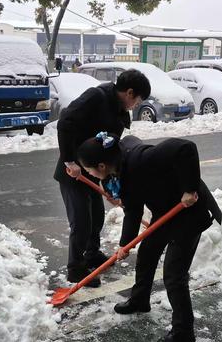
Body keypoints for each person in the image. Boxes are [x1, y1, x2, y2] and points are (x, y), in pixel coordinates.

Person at [77, 133, 222, 342]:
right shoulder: (113, 174)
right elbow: (133, 209)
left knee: (174, 275)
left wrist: (190, 188)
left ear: (101, 165)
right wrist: (125, 244)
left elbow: (186, 148)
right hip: (164, 210)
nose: (88, 174)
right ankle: (139, 300)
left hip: (190, 212)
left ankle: (184, 332)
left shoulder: (141, 160)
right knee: (147, 255)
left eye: (88, 170)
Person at [55, 70, 151, 287]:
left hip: (97, 170)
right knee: (81, 220)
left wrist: (111, 188)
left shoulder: (119, 112)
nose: (136, 105)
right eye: (138, 100)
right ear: (129, 92)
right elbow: (65, 122)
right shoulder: (96, 97)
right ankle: (75, 268)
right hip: (74, 171)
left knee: (97, 216)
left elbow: (111, 153)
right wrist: (69, 161)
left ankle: (91, 253)